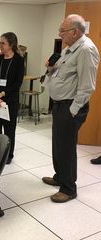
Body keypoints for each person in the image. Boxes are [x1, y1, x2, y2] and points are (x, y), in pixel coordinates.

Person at [42, 14, 99, 203]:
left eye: (62, 31)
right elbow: (60, 72)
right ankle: (60, 177)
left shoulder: (86, 50)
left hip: (70, 107)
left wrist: (72, 111)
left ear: (75, 32)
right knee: (58, 145)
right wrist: (50, 69)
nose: (59, 34)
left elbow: (87, 86)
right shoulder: (69, 49)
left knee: (66, 148)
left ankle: (68, 188)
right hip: (60, 106)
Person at [0, 32, 24, 164]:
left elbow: (17, 83)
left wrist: (2, 95)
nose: (0, 45)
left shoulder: (18, 61)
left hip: (9, 100)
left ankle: (8, 155)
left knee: (9, 129)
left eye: (3, 43)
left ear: (11, 44)